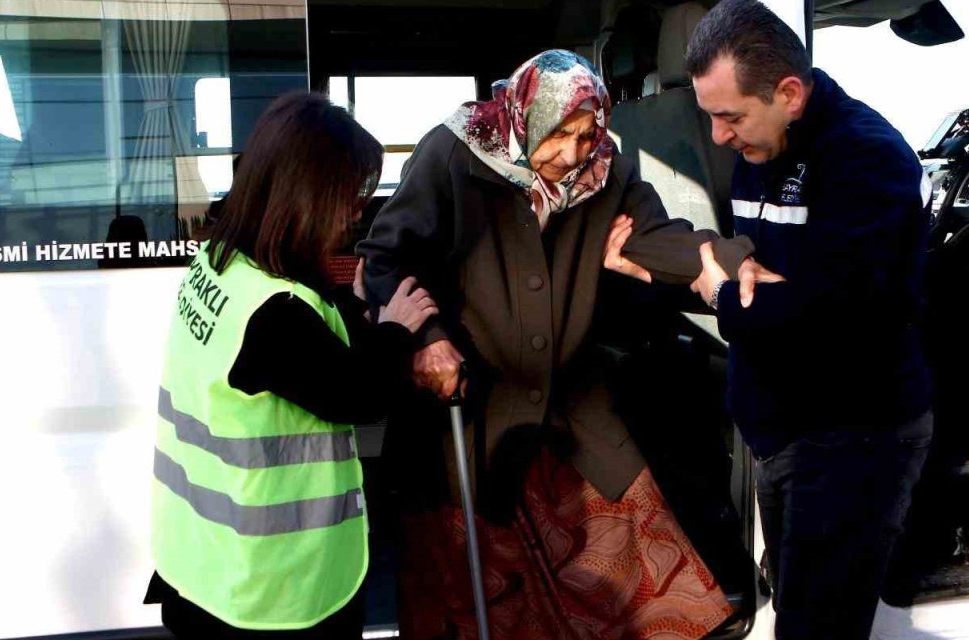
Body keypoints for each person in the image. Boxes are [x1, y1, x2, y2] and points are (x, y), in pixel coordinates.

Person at [357, 50, 758, 640]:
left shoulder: (607, 169)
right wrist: (427, 339)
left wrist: (720, 262)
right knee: (486, 609)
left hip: (570, 412)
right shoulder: (452, 153)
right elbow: (388, 257)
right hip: (471, 420)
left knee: (640, 599)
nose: (572, 154)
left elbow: (650, 235)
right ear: (525, 117)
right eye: (559, 134)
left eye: (587, 131)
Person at [684, 1, 935, 638]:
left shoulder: (867, 159)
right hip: (781, 433)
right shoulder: (762, 142)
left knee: (815, 626)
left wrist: (722, 295)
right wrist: (733, 274)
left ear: (789, 92)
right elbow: (765, 278)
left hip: (853, 436)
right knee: (792, 605)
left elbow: (832, 319)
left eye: (729, 117)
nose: (719, 137)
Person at [145, 92, 437, 639]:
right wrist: (395, 329)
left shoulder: (219, 263)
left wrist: (349, 309)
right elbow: (354, 394)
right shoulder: (272, 315)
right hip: (272, 595)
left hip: (203, 565)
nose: (357, 212)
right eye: (349, 197)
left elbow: (303, 357)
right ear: (306, 195)